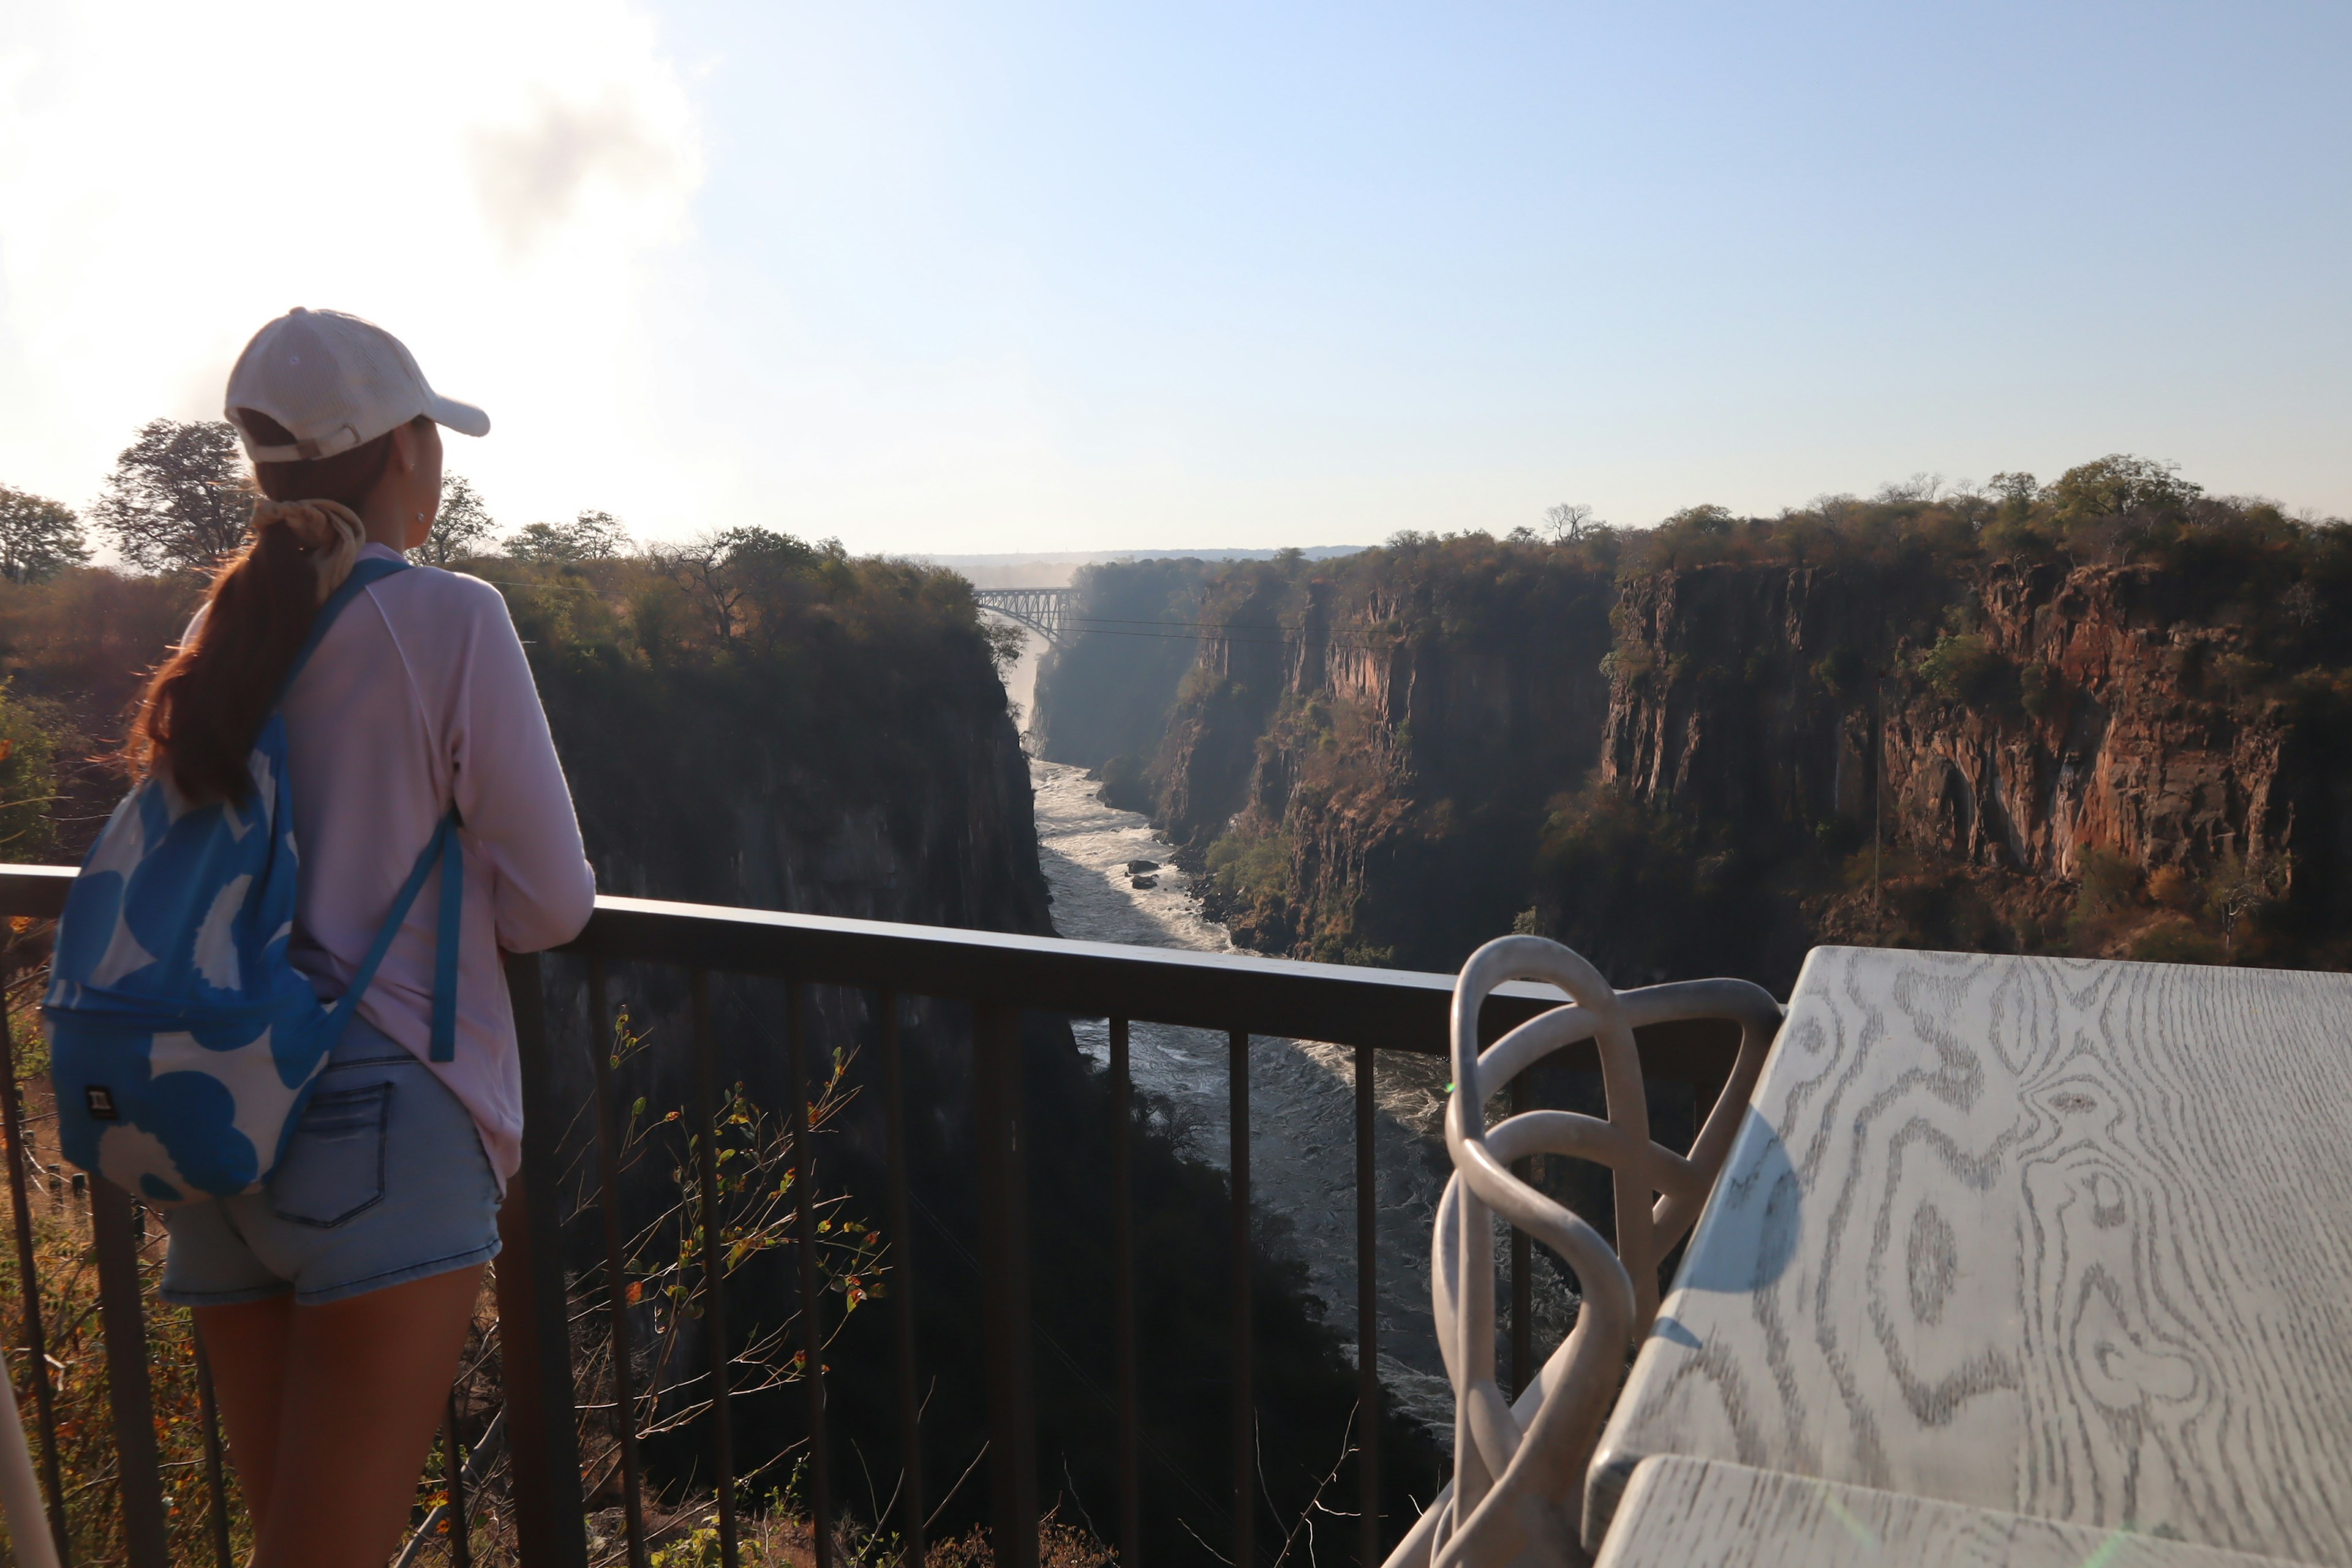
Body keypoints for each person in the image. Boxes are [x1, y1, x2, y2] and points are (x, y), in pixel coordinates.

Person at [124, 308, 597, 1568]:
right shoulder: (451, 618)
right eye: (430, 437)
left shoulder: (218, 628)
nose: (439, 463)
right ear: (399, 454)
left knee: (299, 1535)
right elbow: (556, 901)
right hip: (383, 1118)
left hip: (218, 1115)